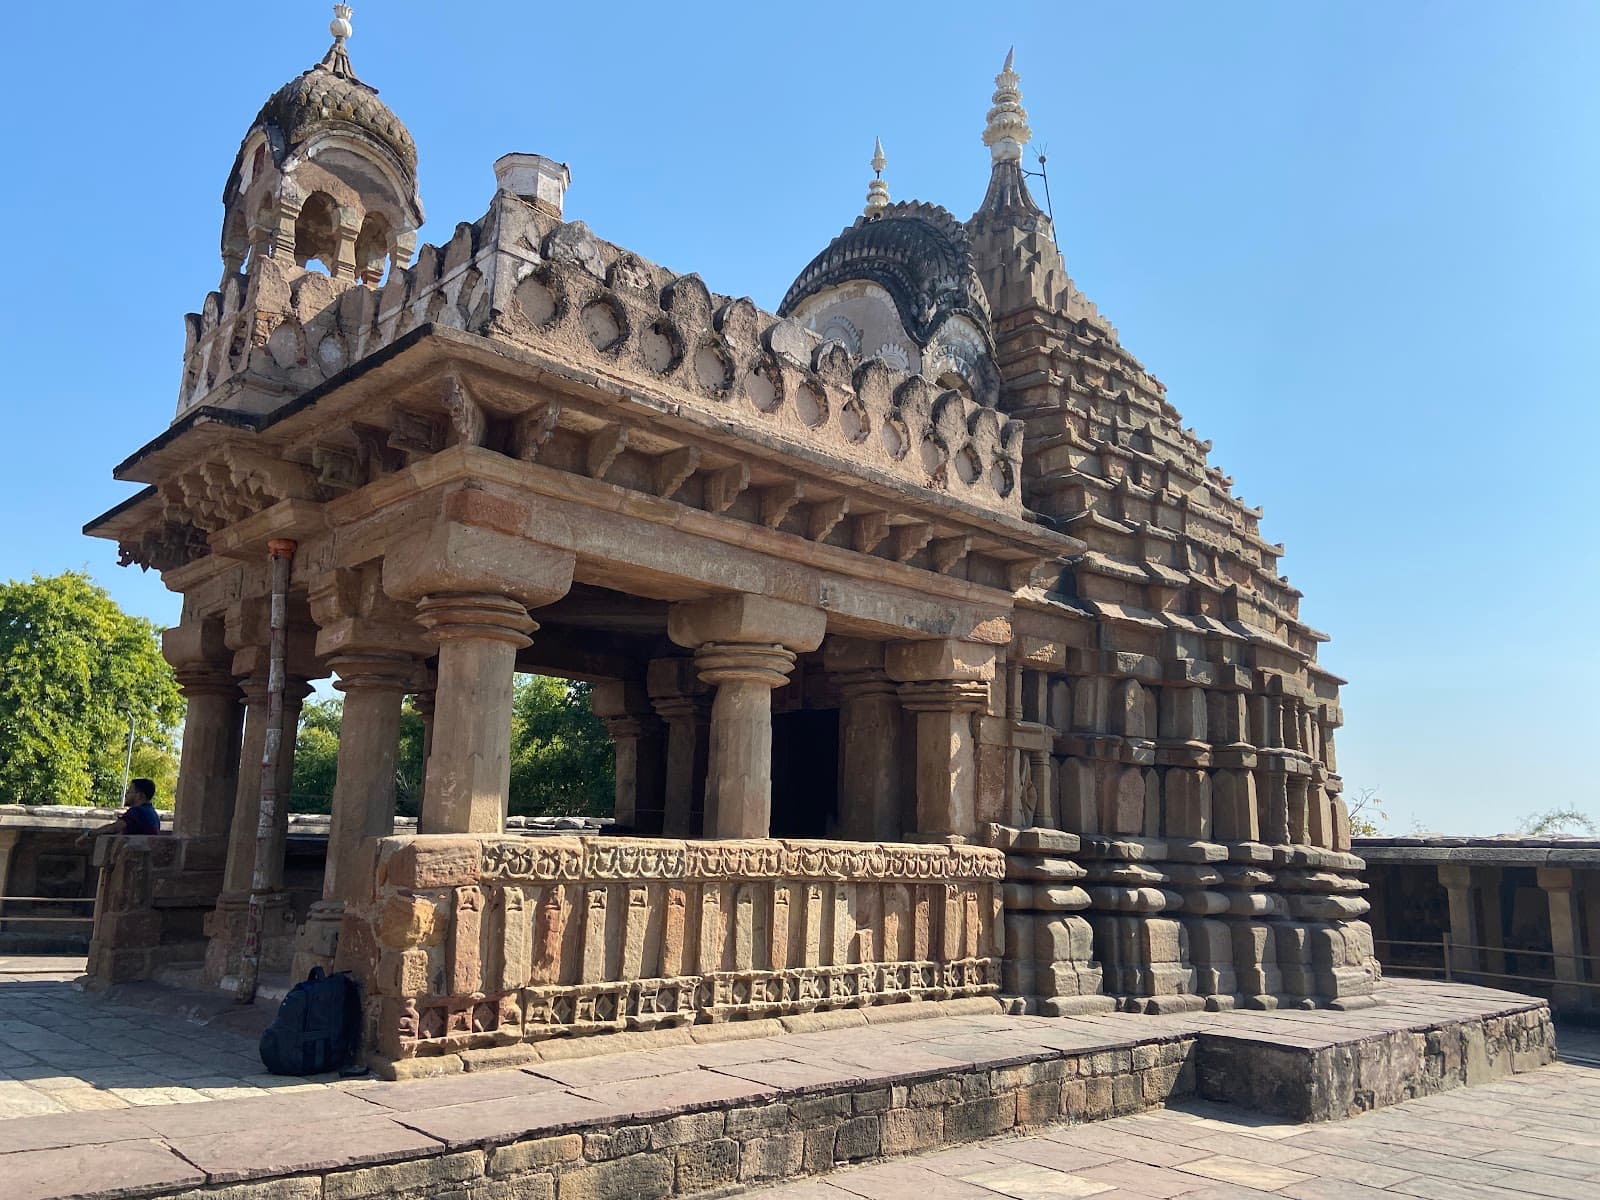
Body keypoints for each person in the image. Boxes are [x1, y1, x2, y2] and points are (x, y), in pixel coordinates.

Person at [76, 778, 163, 846]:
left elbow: (113, 828)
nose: (126, 794)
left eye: (130, 791)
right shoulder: (153, 814)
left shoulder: (137, 812)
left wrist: (88, 834)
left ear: (140, 795)